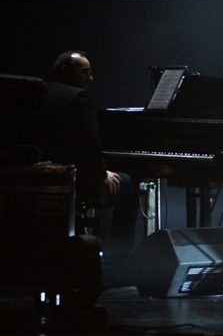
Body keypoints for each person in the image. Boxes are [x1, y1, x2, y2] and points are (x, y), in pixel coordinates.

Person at [22, 51, 140, 262]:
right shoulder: (78, 97)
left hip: (41, 177)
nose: (90, 78)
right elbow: (89, 143)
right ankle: (122, 259)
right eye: (84, 71)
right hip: (75, 180)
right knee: (129, 186)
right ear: (63, 71)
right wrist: (102, 174)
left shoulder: (35, 94)